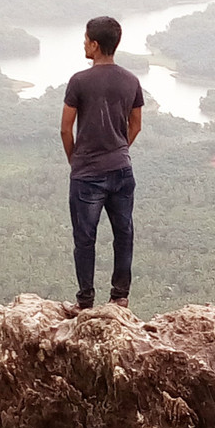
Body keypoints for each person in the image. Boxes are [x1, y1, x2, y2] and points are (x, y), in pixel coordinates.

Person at [61, 16, 144, 310]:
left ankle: (85, 301)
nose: (83, 43)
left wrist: (76, 161)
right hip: (122, 170)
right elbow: (135, 125)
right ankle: (119, 297)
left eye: (86, 39)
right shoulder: (131, 80)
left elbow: (65, 128)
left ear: (95, 45)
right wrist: (119, 148)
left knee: (85, 239)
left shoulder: (79, 81)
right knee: (124, 233)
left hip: (87, 174)